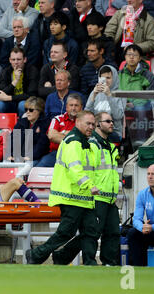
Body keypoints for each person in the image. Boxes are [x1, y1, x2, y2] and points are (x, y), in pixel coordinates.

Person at [26, 110, 100, 265]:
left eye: (93, 124)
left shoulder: (84, 142)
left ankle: (88, 263)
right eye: (88, 123)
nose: (91, 127)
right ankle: (37, 255)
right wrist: (89, 185)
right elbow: (75, 169)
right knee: (66, 232)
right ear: (78, 122)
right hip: (71, 196)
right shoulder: (73, 142)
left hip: (83, 197)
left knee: (91, 231)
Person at [52, 112, 121, 266]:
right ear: (98, 124)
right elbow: (85, 170)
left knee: (113, 231)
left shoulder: (110, 146)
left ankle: (109, 263)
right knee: (91, 233)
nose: (112, 124)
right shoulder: (92, 145)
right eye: (108, 121)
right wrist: (91, 188)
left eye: (112, 121)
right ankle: (83, 260)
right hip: (96, 196)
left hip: (109, 197)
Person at [0, 47, 38, 116]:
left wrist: (9, 98)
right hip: (10, 103)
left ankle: (22, 125)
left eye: (19, 59)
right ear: (10, 60)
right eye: (13, 60)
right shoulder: (6, 71)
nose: (16, 62)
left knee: (22, 105)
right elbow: (0, 93)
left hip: (23, 101)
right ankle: (0, 126)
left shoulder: (32, 70)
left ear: (25, 60)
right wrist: (15, 81)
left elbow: (31, 94)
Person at [104, 0, 154, 65]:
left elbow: (153, 43)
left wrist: (134, 47)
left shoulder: (149, 20)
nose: (128, 0)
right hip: (115, 52)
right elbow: (108, 32)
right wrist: (110, 46)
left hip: (135, 56)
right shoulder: (119, 14)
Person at [85, 65, 126, 143]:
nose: (105, 81)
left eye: (108, 78)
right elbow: (86, 114)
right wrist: (93, 95)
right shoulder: (94, 92)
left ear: (114, 78)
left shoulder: (120, 94)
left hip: (113, 131)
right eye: (103, 78)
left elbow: (118, 116)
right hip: (95, 130)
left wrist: (109, 95)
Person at [41, 92, 82, 167]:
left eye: (76, 105)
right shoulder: (58, 119)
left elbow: (84, 140)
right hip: (57, 153)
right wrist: (73, 137)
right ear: (66, 107)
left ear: (81, 107)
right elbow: (52, 136)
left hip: (77, 154)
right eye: (71, 105)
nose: (73, 108)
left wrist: (62, 133)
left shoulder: (84, 121)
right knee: (39, 168)